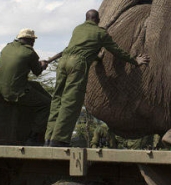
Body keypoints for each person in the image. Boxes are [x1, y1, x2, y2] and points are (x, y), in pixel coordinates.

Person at [44, 10, 149, 148]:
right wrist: (134, 61)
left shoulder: (78, 28)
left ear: (86, 18)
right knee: (71, 101)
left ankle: (48, 138)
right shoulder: (101, 33)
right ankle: (59, 140)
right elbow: (116, 50)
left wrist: (95, 56)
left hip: (63, 63)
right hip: (77, 65)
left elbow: (79, 48)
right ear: (98, 19)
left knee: (57, 99)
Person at [0, 28, 51, 145]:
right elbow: (37, 71)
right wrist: (43, 65)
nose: (34, 43)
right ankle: (33, 136)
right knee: (47, 104)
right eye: (33, 40)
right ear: (30, 40)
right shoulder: (30, 53)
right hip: (14, 91)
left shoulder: (7, 47)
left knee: (36, 85)